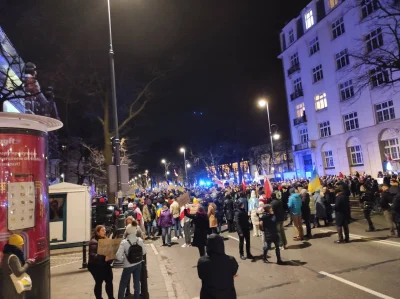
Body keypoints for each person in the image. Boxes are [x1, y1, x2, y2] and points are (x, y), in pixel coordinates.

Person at [197, 234, 239, 299]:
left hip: (208, 295)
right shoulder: (230, 260)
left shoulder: (202, 261)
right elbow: (234, 271)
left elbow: (201, 275)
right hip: (228, 294)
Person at [116, 222, 146, 299]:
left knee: (123, 284)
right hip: (138, 263)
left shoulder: (124, 242)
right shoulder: (139, 240)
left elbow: (118, 256)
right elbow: (144, 252)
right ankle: (137, 297)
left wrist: (124, 259)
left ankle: (120, 297)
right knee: (136, 283)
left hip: (128, 265)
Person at [1, 234, 35, 299]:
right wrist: (28, 263)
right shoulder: (13, 257)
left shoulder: (6, 255)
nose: (21, 247)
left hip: (7, 287)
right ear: (16, 245)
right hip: (14, 288)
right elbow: (18, 272)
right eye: (20, 245)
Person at [88, 225, 115, 299]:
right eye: (102, 230)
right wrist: (104, 257)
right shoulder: (93, 242)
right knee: (99, 282)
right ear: (97, 232)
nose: (104, 232)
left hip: (105, 264)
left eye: (105, 230)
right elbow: (93, 255)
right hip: (95, 265)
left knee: (109, 281)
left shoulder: (105, 240)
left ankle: (111, 297)